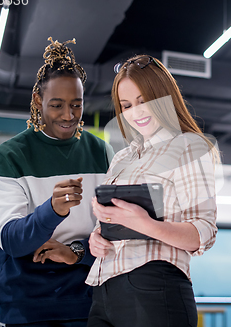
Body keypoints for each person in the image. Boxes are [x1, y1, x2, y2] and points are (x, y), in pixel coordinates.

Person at [86, 55, 219, 327]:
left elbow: (204, 232)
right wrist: (97, 237)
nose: (136, 112)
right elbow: (113, 222)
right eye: (126, 105)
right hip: (103, 289)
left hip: (153, 287)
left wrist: (146, 224)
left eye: (144, 101)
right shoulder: (121, 158)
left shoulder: (187, 147)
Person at [0, 37, 113, 326]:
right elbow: (11, 240)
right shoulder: (11, 156)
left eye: (76, 105)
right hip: (28, 308)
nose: (68, 116)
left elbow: (114, 230)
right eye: (57, 105)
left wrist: (75, 252)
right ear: (37, 100)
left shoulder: (102, 152)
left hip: (88, 302)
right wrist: (52, 211)